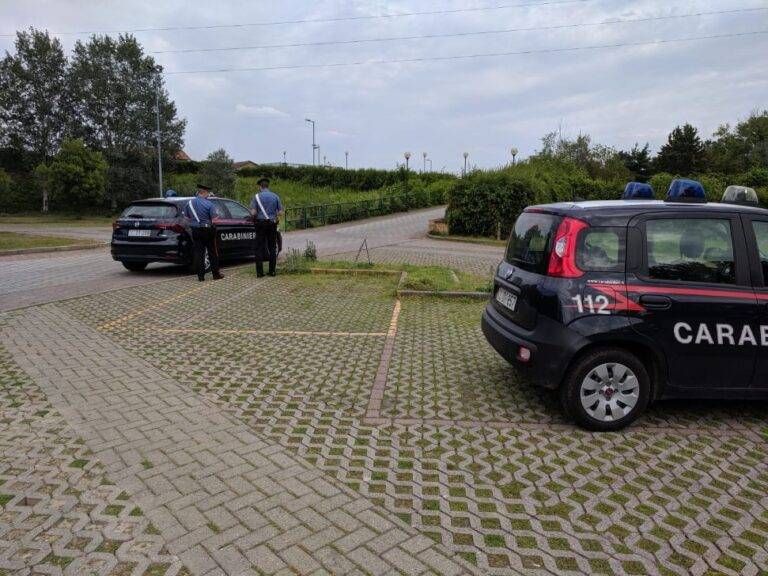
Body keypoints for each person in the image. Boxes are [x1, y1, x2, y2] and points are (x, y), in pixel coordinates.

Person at [183, 184, 224, 282]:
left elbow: (186, 218)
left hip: (195, 230)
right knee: (212, 252)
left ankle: (200, 277)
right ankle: (216, 274)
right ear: (204, 192)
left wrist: (194, 222)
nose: (208, 195)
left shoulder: (189, 203)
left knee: (199, 253)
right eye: (208, 193)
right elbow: (215, 220)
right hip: (207, 230)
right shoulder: (209, 204)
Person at [250, 177, 283, 277]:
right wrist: (274, 216)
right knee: (272, 247)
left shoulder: (256, 197)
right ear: (268, 186)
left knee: (259, 248)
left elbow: (253, 212)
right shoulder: (275, 196)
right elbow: (280, 212)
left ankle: (260, 273)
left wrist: (254, 215)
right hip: (272, 224)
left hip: (260, 224)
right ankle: (272, 271)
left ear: (260, 186)